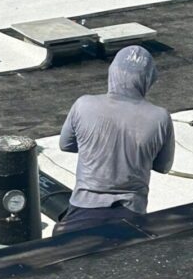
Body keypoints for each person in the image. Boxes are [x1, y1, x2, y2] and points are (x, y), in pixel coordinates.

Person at [54, 45, 174, 234]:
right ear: (149, 79)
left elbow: (66, 144)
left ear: (112, 72)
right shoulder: (160, 117)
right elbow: (163, 166)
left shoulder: (84, 104)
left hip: (83, 209)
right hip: (132, 212)